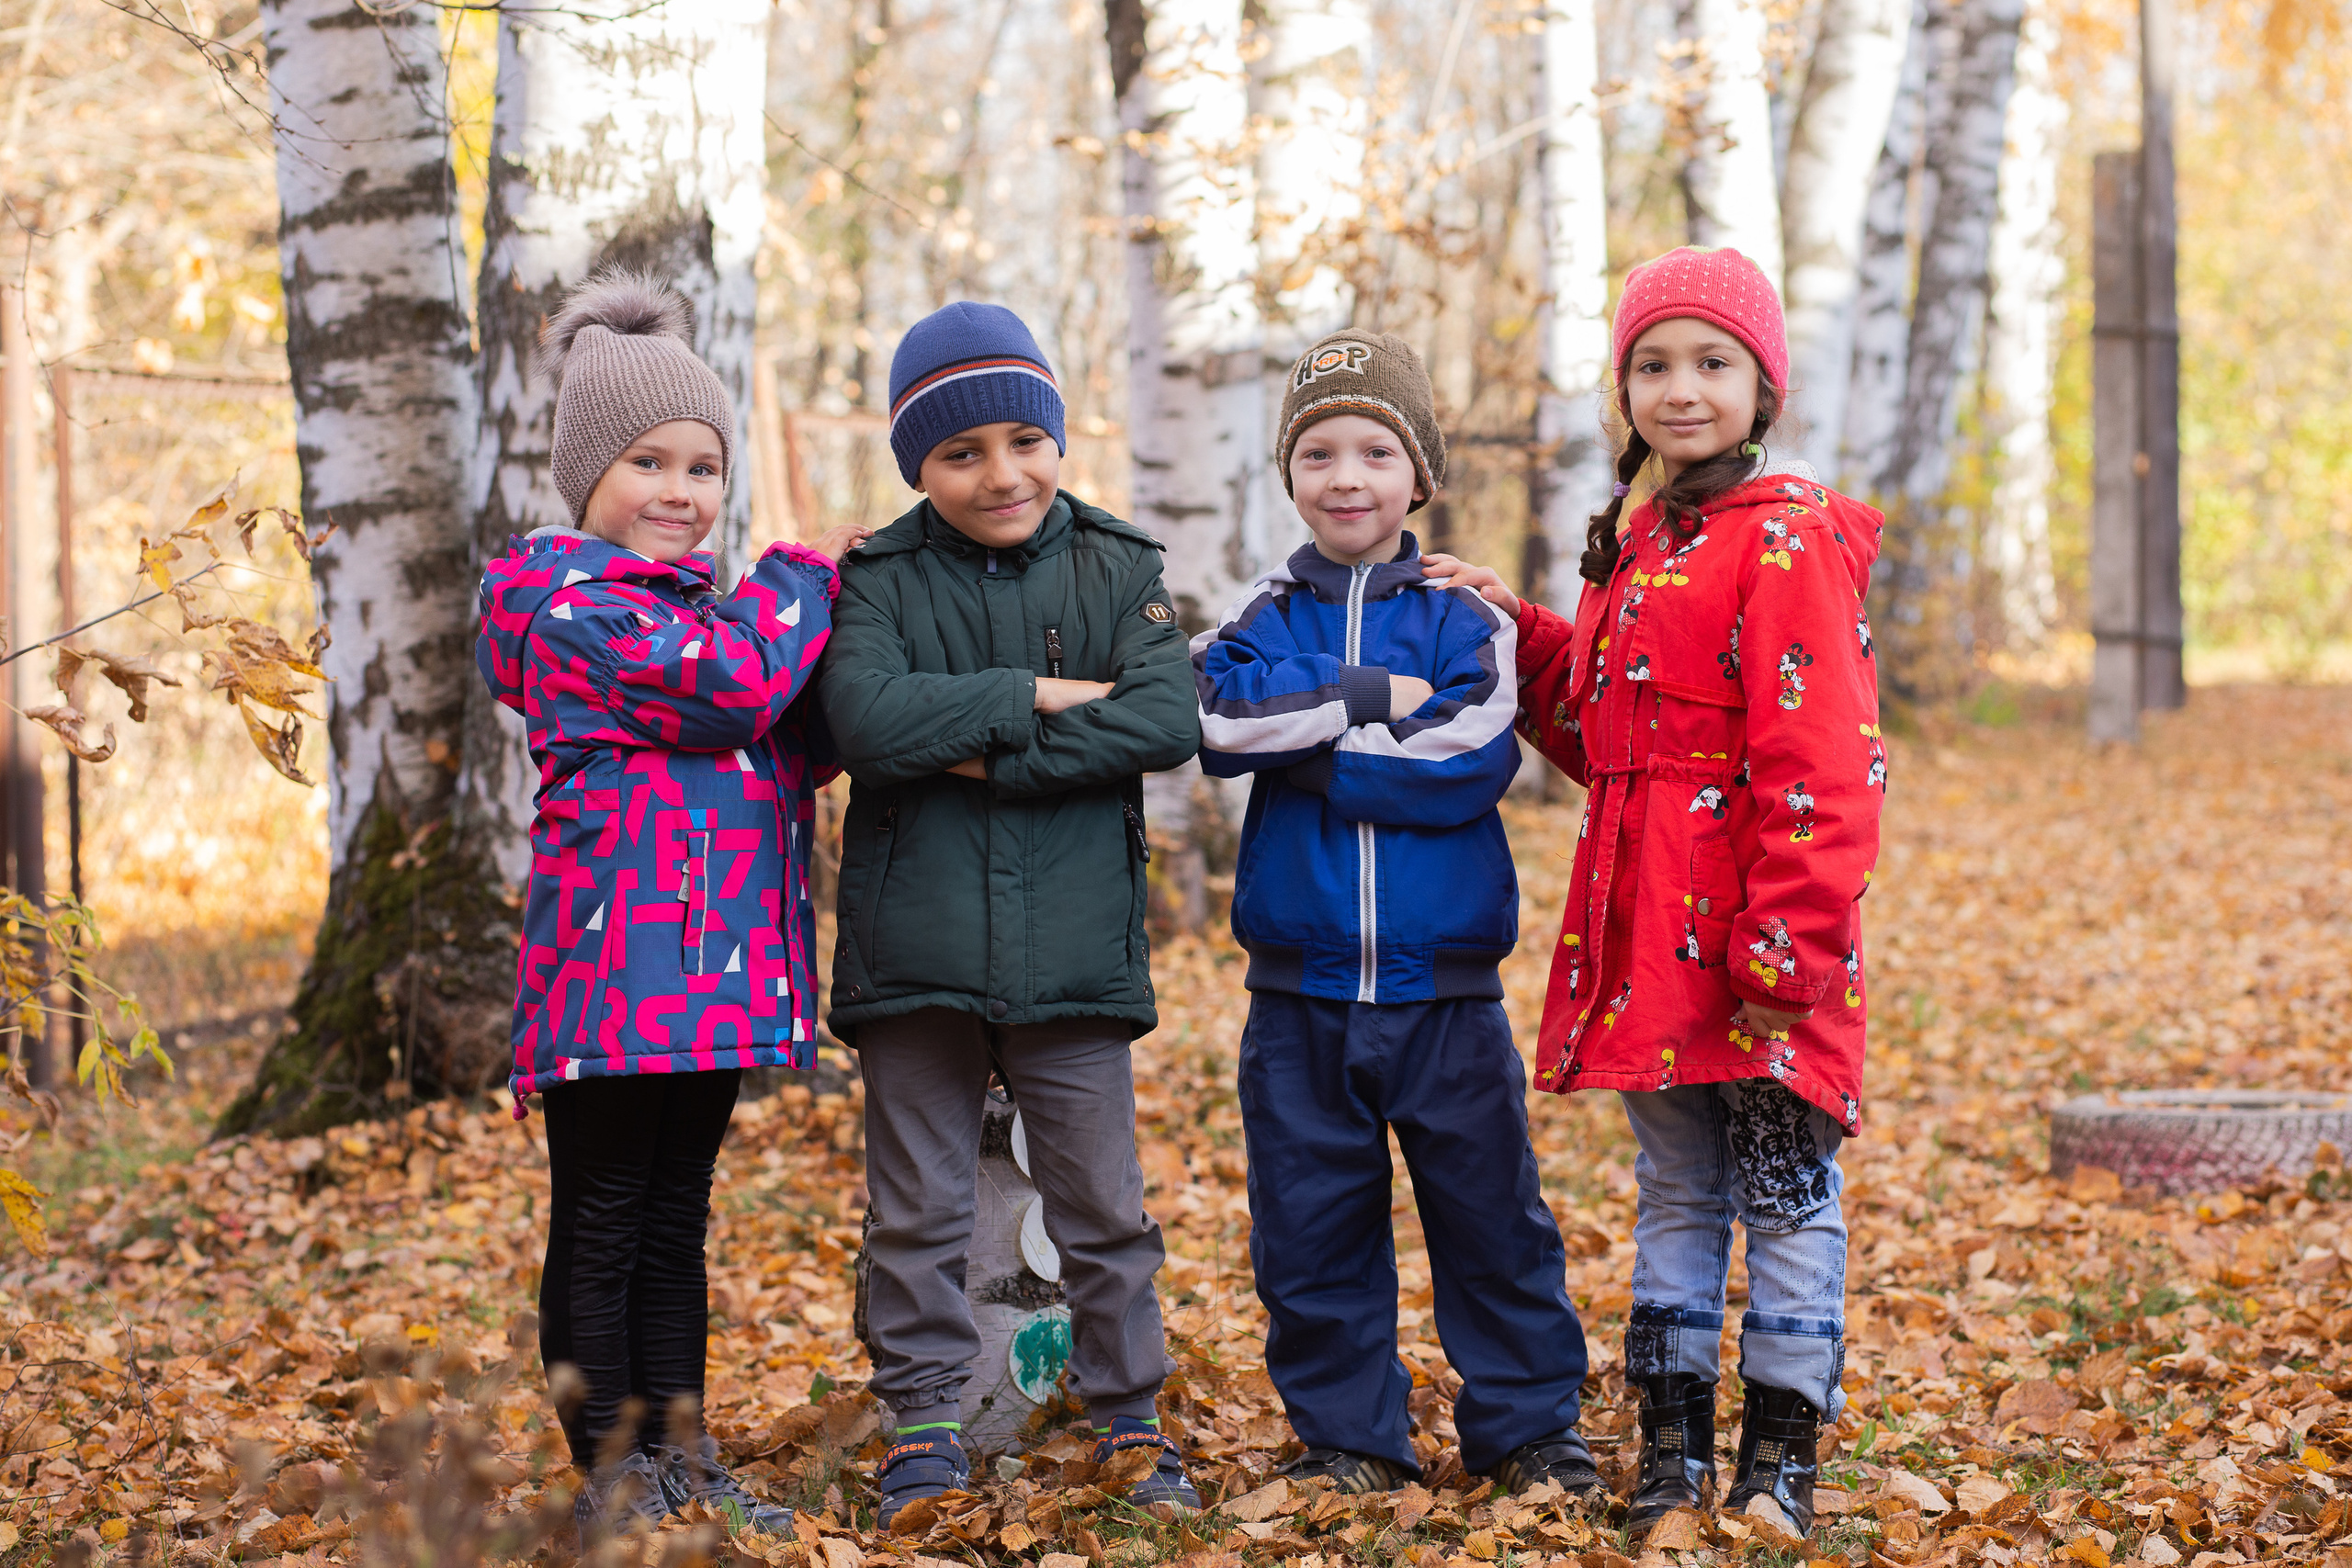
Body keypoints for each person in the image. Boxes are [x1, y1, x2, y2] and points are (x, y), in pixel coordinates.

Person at [1425, 246, 1884, 1540]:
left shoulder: (1786, 540)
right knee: (1678, 1188)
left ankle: (1778, 1458)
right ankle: (1672, 1453)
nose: (1681, 389)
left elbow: (1827, 760)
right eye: (1653, 365)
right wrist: (1520, 628)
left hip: (1756, 935)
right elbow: (1607, 737)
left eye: (1711, 363)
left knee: (1784, 1191)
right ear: (1623, 388)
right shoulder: (1636, 542)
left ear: (1762, 385)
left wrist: (1788, 941)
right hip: (1648, 942)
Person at [476, 270, 867, 1537]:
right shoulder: (572, 608)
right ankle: (612, 1470)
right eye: (648, 462)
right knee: (601, 1216)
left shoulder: (702, 610)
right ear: (586, 475)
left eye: (703, 467)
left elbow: (784, 737)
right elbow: (737, 687)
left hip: (715, 973)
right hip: (612, 975)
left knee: (674, 1218)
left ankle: (681, 1454)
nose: (681, 492)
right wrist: (802, 574)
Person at [1191, 328, 1606, 1501]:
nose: (1347, 478)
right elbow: (1213, 714)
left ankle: (1528, 1431)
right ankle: (1350, 1439)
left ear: (1418, 473)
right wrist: (1370, 697)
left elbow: (1464, 758)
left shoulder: (1464, 616)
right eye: (1317, 453)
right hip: (1299, 992)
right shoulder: (1264, 612)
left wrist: (1308, 749)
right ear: (1289, 474)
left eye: (1376, 451)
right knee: (1309, 1229)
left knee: (1491, 1222)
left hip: (1444, 994)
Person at [816, 302, 1204, 1524]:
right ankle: (925, 1425)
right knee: (915, 1210)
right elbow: (864, 723)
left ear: (1057, 437)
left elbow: (1163, 721)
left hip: (1073, 950)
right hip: (914, 950)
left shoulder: (1120, 565)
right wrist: (1039, 693)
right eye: (960, 452)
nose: (1002, 474)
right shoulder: (877, 577)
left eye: (1023, 441)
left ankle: (1130, 1418)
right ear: (916, 466)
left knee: (1102, 1207)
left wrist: (971, 749)